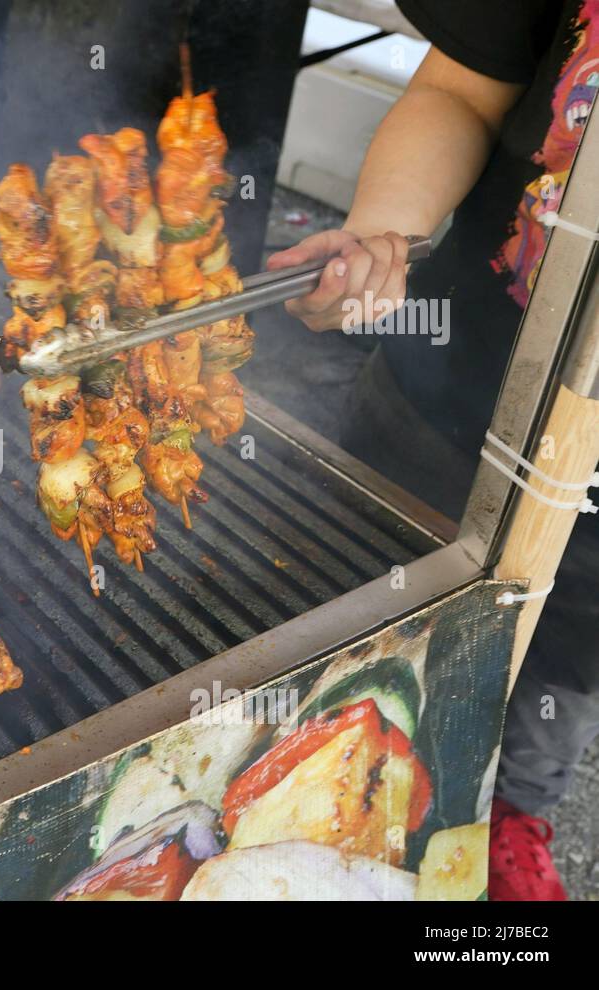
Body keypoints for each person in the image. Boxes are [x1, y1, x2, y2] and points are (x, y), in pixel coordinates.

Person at [268, 0, 599, 900]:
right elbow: (460, 87)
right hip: (451, 400)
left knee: (564, 661)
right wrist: (384, 236)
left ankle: (511, 817)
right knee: (339, 637)